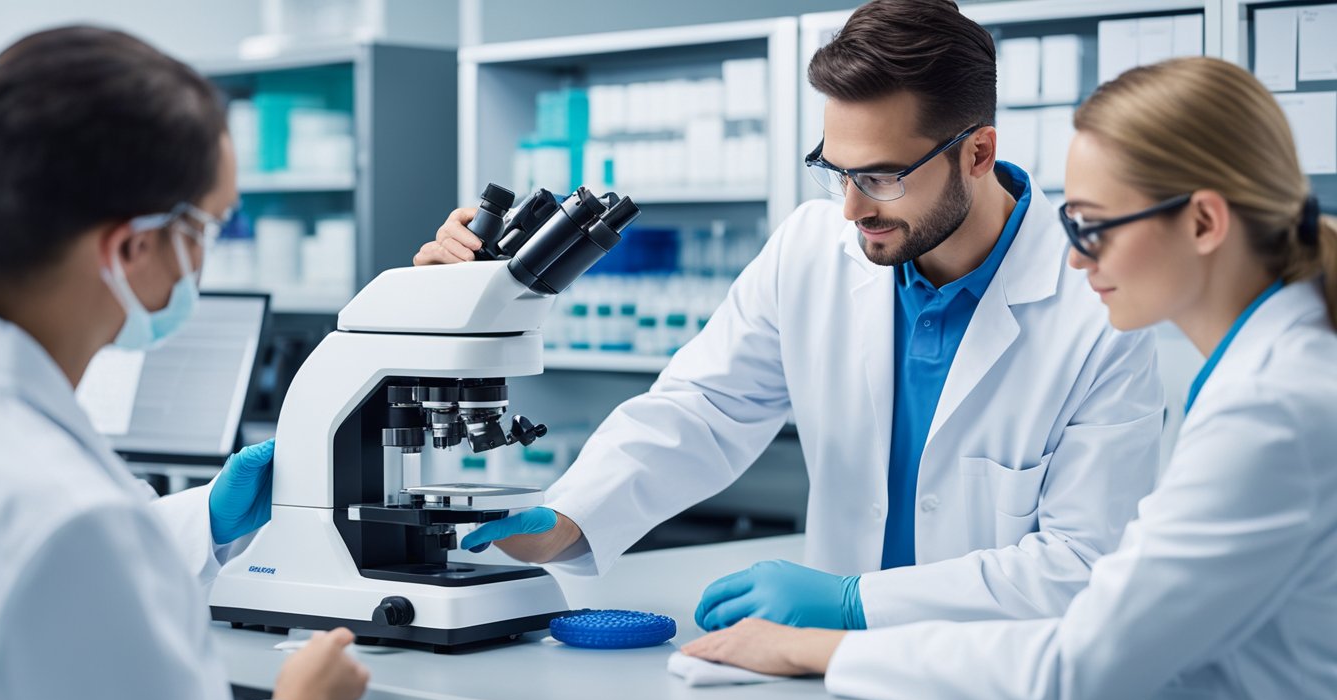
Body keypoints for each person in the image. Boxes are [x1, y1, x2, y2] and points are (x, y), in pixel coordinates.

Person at [418, 0, 1162, 643]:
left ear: (978, 152)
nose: (850, 208)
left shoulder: (1100, 306)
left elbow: (1082, 565)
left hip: (1005, 694)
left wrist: (854, 602)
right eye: (836, 170)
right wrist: (569, 518)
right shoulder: (814, 250)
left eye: (879, 177)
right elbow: (703, 409)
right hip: (830, 678)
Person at [682, 56, 1337, 700]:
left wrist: (821, 645)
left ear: (1205, 221)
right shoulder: (1269, 375)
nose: (1078, 262)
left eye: (1093, 227)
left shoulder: (1274, 410)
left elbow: (1072, 670)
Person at [0, 26, 367, 700]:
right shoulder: (69, 512)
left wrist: (204, 518)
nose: (203, 260)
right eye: (207, 229)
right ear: (131, 249)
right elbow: (70, 551)